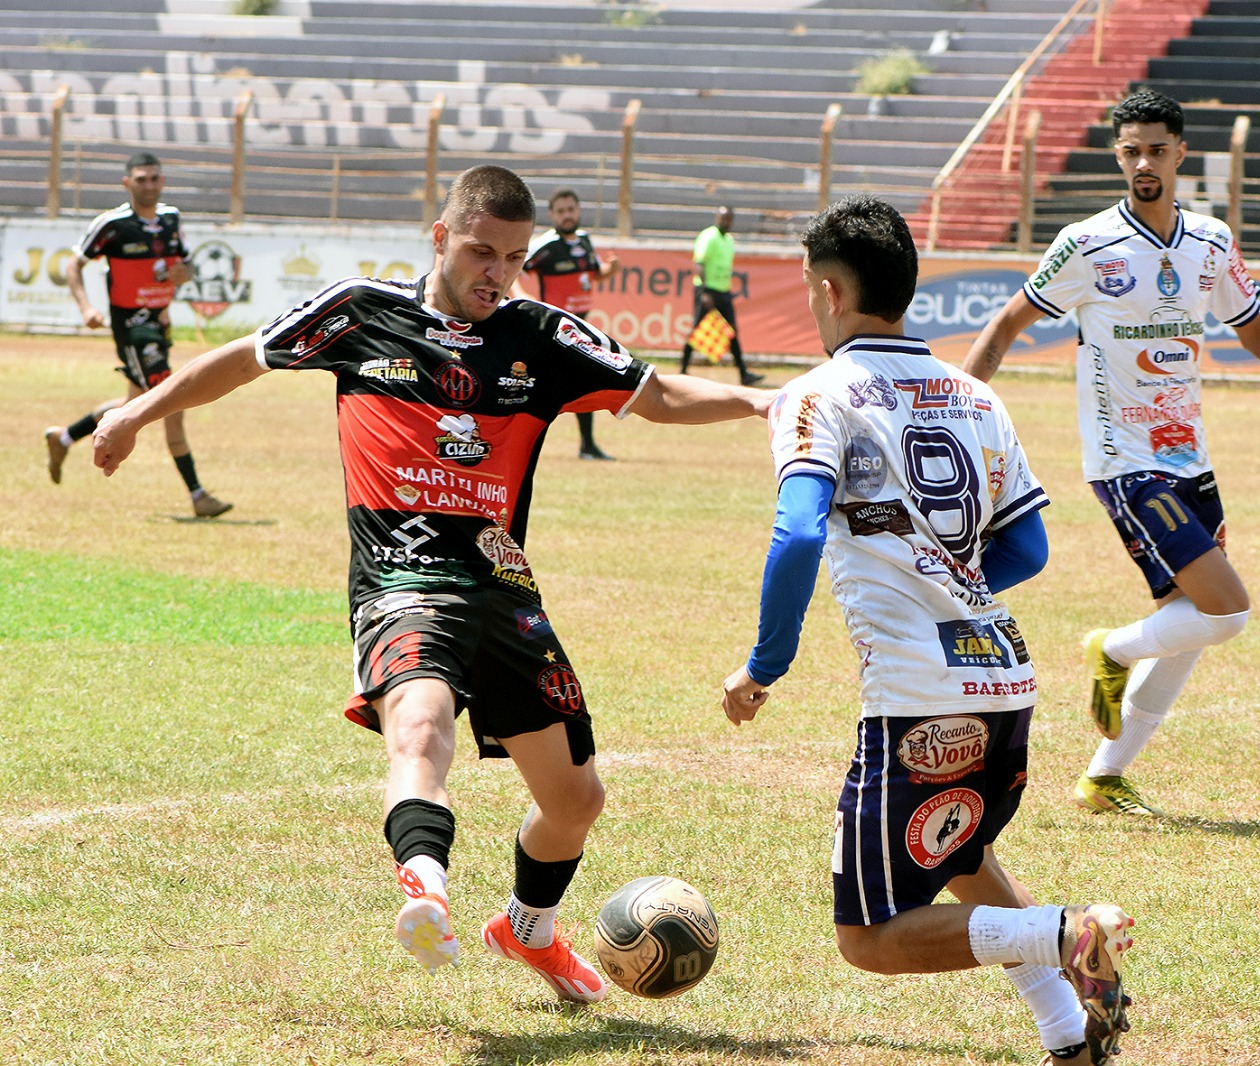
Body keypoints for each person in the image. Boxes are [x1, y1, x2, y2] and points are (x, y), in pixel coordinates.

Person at [93, 165, 772, 1001]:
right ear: (440, 237)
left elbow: (656, 394)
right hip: (400, 581)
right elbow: (241, 360)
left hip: (503, 591)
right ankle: (427, 887)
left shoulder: (543, 337)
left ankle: (527, 931)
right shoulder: (362, 312)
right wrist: (132, 413)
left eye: (514, 258)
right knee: (420, 726)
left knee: (575, 802)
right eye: (482, 251)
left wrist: (765, 405)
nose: (497, 273)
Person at [721, 194, 1133, 1066]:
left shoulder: (816, 395)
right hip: (1003, 679)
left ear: (830, 291)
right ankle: (1067, 1030)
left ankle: (1067, 933)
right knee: (959, 851)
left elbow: (797, 530)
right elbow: (1028, 545)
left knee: (867, 936)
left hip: (915, 701)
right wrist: (953, 579)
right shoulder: (976, 396)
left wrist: (764, 666)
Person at [962, 90, 1260, 817]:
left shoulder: (1211, 241)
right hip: (1127, 462)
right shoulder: (1087, 243)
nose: (1143, 163)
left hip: (1192, 459)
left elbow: (1257, 333)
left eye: (1157, 148)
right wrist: (958, 410)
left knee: (1187, 626)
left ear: (1182, 153)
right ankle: (1112, 649)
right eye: (1131, 151)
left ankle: (1103, 777)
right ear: (1118, 156)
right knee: (1228, 611)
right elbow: (1007, 324)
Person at [44, 151, 232, 517]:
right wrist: (86, 307)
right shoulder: (112, 224)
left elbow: (186, 264)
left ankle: (63, 437)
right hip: (133, 329)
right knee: (172, 401)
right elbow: (74, 263)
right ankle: (198, 496)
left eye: (154, 178)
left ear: (163, 182)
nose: (148, 185)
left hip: (158, 324)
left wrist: (185, 273)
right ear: (127, 183)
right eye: (141, 179)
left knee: (134, 401)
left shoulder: (171, 219)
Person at [516, 187, 620, 461]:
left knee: (582, 382)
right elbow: (514, 267)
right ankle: (518, 444)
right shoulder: (546, 246)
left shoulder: (584, 240)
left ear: (579, 210)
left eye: (571, 210)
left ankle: (587, 445)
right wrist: (521, 294)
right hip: (555, 328)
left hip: (580, 325)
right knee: (533, 388)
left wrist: (611, 270)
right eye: (561, 211)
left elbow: (594, 275)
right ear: (552, 215)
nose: (567, 216)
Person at [678, 205, 764, 385]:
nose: (726, 222)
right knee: (697, 328)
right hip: (708, 291)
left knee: (731, 330)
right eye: (723, 218)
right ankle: (683, 369)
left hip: (724, 292)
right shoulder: (708, 236)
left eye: (729, 219)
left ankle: (743, 373)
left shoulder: (729, 240)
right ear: (717, 218)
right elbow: (700, 263)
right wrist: (704, 292)